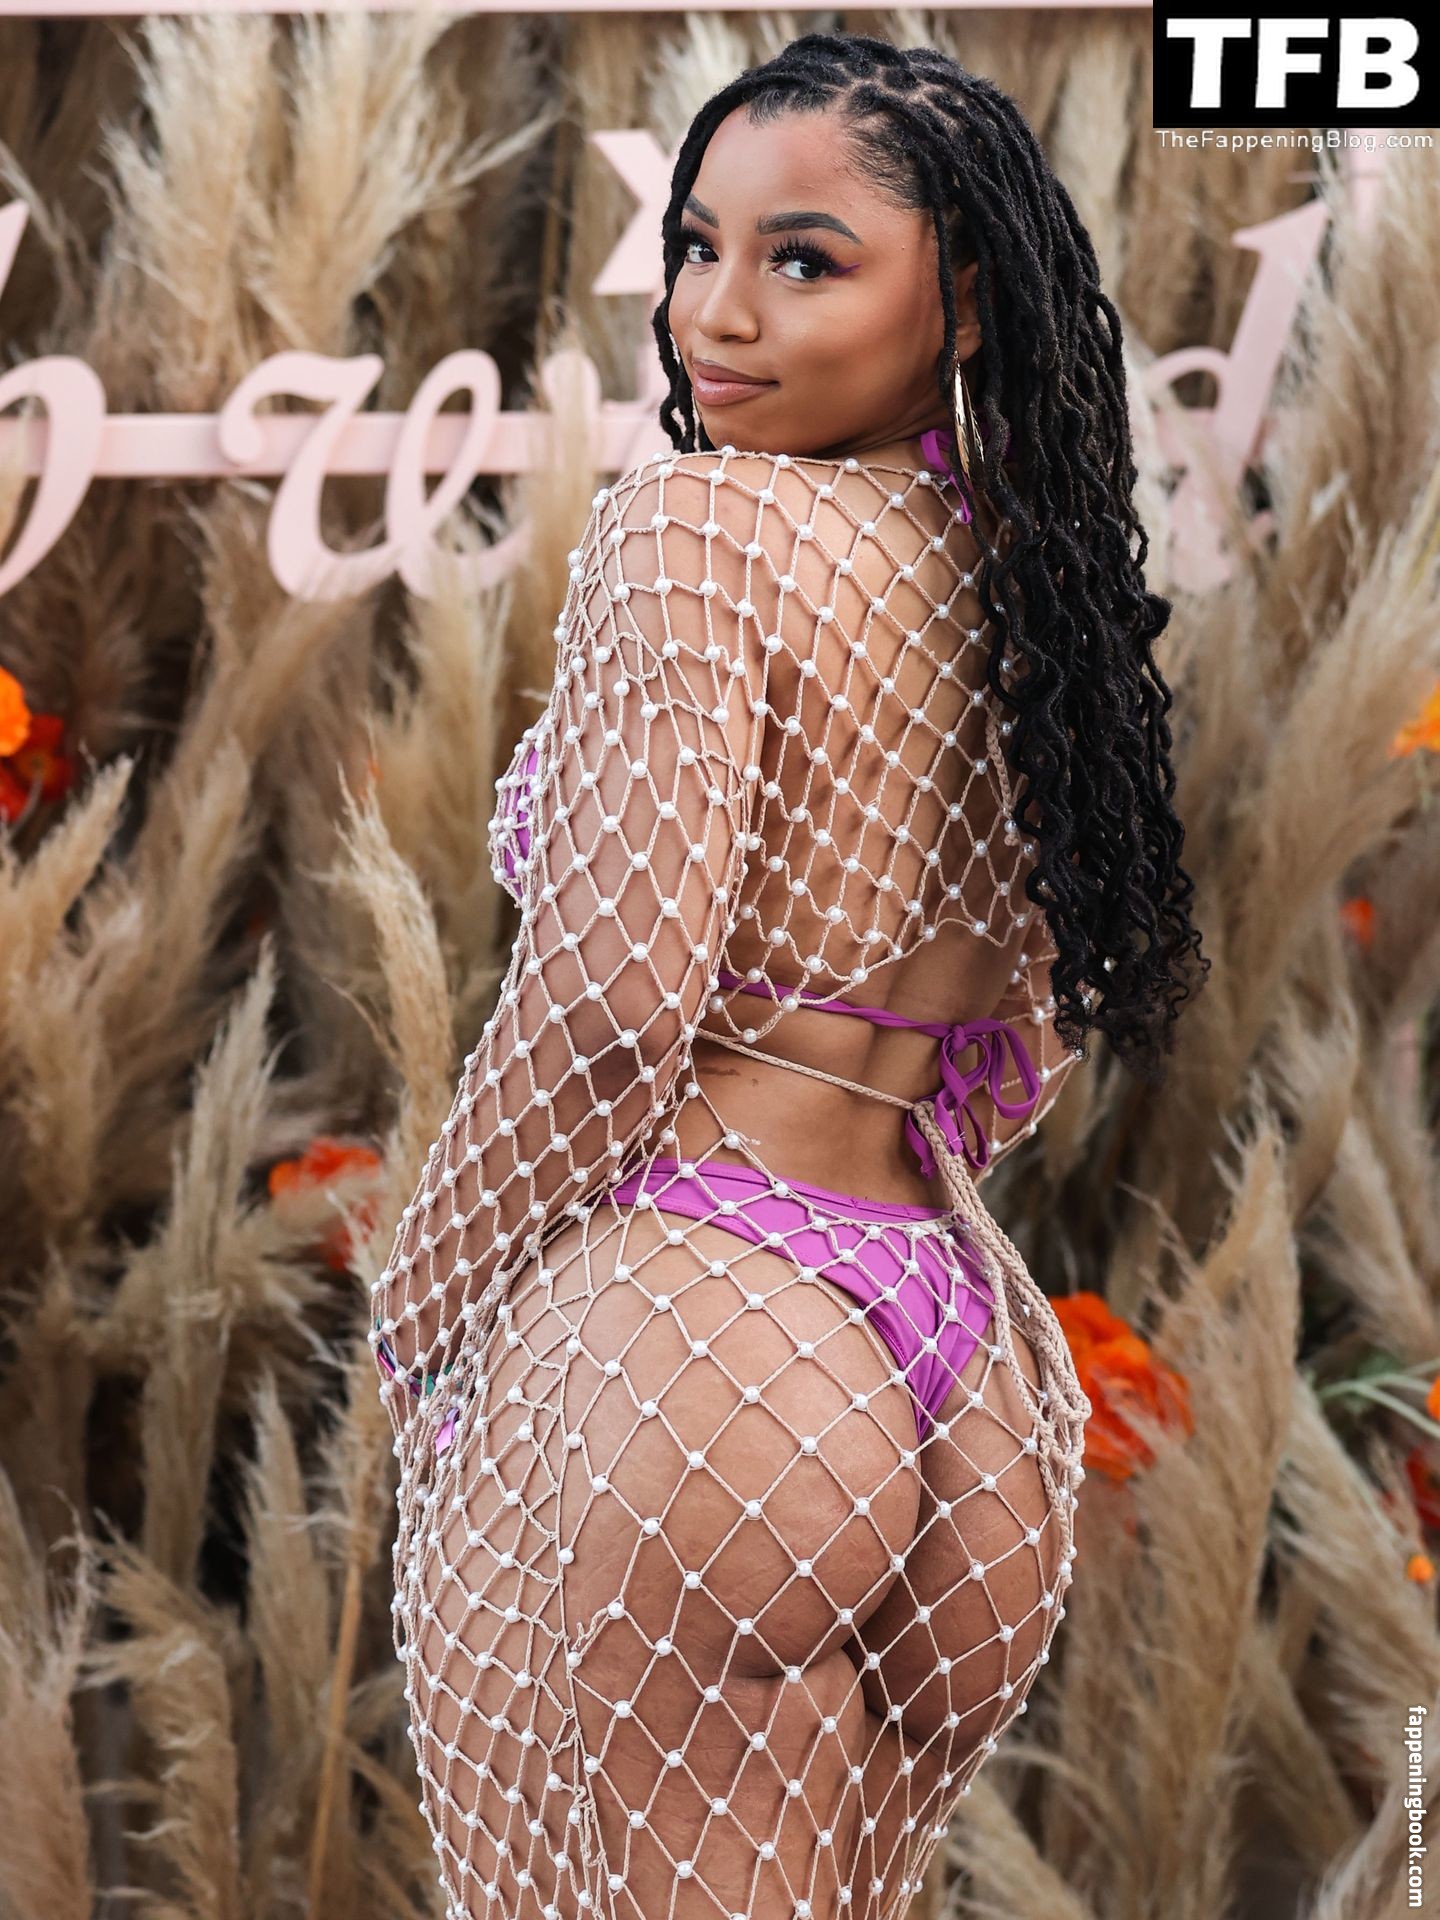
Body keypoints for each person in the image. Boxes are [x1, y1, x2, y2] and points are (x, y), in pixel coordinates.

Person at [371, 29, 1208, 1920]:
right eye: (697, 247)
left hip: (715, 1316)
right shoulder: (1037, 585)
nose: (716, 315)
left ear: (963, 300)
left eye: (803, 259)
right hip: (964, 1363)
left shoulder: (699, 528)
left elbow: (613, 1008)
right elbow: (1022, 1031)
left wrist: (427, 1301)